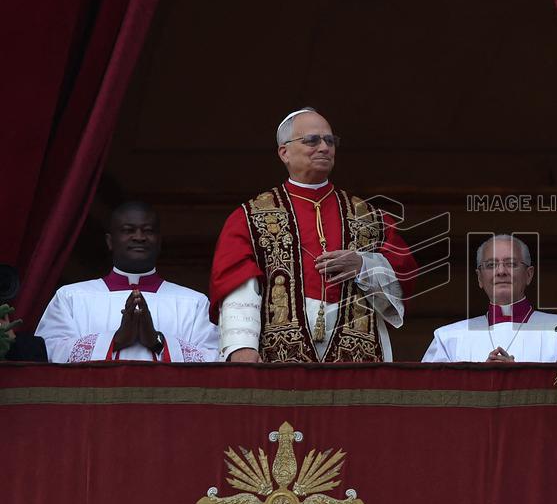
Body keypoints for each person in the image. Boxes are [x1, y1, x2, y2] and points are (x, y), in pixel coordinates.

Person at [210, 108, 416, 363]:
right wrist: (241, 347)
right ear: (284, 152)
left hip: (357, 351)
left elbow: (405, 274)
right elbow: (237, 282)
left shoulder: (369, 217)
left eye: (330, 141)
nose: (324, 147)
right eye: (312, 140)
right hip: (276, 352)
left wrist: (363, 265)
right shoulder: (250, 217)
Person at [36, 202, 218, 362]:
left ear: (160, 241)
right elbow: (47, 351)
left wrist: (157, 342)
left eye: (148, 230)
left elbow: (216, 358)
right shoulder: (70, 297)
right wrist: (115, 340)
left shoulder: (194, 303)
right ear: (110, 241)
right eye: (128, 230)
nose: (139, 237)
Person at [422, 235, 557, 362]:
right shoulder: (447, 339)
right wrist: (483, 380)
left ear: (528, 275)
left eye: (511, 264)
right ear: (480, 277)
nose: (501, 271)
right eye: (491, 265)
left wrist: (520, 378)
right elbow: (431, 392)